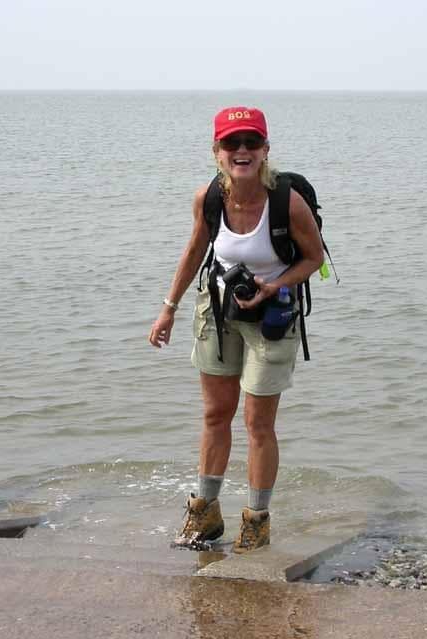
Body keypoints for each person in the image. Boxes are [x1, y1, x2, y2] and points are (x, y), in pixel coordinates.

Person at [148, 106, 324, 553]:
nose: (241, 151)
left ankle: (257, 521)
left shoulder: (288, 202)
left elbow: (313, 258)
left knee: (257, 423)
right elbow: (193, 252)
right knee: (214, 414)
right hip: (218, 309)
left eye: (251, 142)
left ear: (266, 150)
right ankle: (204, 514)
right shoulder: (209, 198)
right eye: (231, 143)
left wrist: (273, 286)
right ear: (216, 151)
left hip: (272, 316)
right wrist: (168, 309)